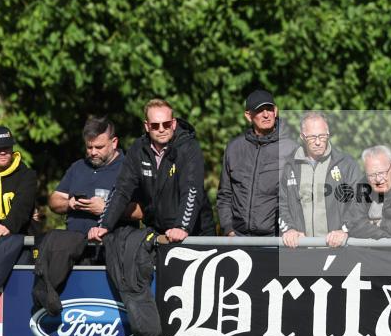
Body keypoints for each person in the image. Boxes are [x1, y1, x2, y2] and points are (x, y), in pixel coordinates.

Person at [88, 99, 215, 243]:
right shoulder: (138, 149)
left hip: (194, 233)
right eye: (155, 125)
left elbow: (191, 189)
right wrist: (104, 225)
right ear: (147, 126)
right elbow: (122, 189)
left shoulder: (188, 148)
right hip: (158, 233)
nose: (161, 129)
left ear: (173, 124)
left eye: (166, 124)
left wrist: (182, 227)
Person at [217, 90, 297, 237]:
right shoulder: (234, 148)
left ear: (276, 111)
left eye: (269, 109)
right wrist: (228, 229)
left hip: (274, 239)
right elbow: (225, 194)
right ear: (248, 116)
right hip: (237, 238)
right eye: (260, 110)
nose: (266, 115)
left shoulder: (291, 149)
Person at [49, 117, 141, 240]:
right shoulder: (78, 167)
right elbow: (54, 200)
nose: (93, 152)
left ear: (114, 142)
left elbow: (140, 211)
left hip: (113, 249)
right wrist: (69, 204)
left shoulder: (129, 168)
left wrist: (107, 209)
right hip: (73, 247)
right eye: (89, 147)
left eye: (99, 147)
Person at [279, 112, 362, 248]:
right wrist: (289, 229)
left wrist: (344, 230)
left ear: (328, 134)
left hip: (337, 249)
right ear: (302, 136)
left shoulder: (346, 164)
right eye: (312, 137)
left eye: (322, 136)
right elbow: (282, 203)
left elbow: (360, 202)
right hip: (301, 249)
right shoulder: (291, 165)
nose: (318, 142)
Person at [0, 126, 36, 293]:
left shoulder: (26, 175)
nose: (3, 152)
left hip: (18, 239)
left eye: (7, 148)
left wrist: (7, 225)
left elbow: (23, 205)